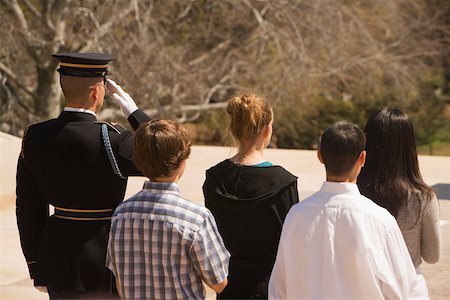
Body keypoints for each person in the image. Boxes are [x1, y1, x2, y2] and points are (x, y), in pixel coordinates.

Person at [16, 52, 150, 299]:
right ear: (97, 92)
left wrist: (36, 264)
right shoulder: (113, 139)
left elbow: (28, 206)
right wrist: (134, 112)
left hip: (56, 256)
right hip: (106, 257)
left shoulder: (35, 137)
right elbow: (165, 155)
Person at [269, 121, 417, 299]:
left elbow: (279, 287)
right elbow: (402, 289)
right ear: (362, 158)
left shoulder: (296, 215)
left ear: (319, 156)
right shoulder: (380, 220)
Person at [106, 119, 230, 299]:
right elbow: (219, 283)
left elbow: (120, 281)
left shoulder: (120, 215)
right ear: (182, 162)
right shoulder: (195, 218)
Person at [203, 93, 299, 299]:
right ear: (267, 130)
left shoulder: (214, 177)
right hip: (268, 287)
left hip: (227, 286)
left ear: (233, 129)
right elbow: (291, 243)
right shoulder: (283, 182)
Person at [358, 108, 441, 298]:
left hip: (362, 288)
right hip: (408, 290)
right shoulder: (423, 198)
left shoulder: (355, 193)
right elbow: (432, 255)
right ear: (409, 146)